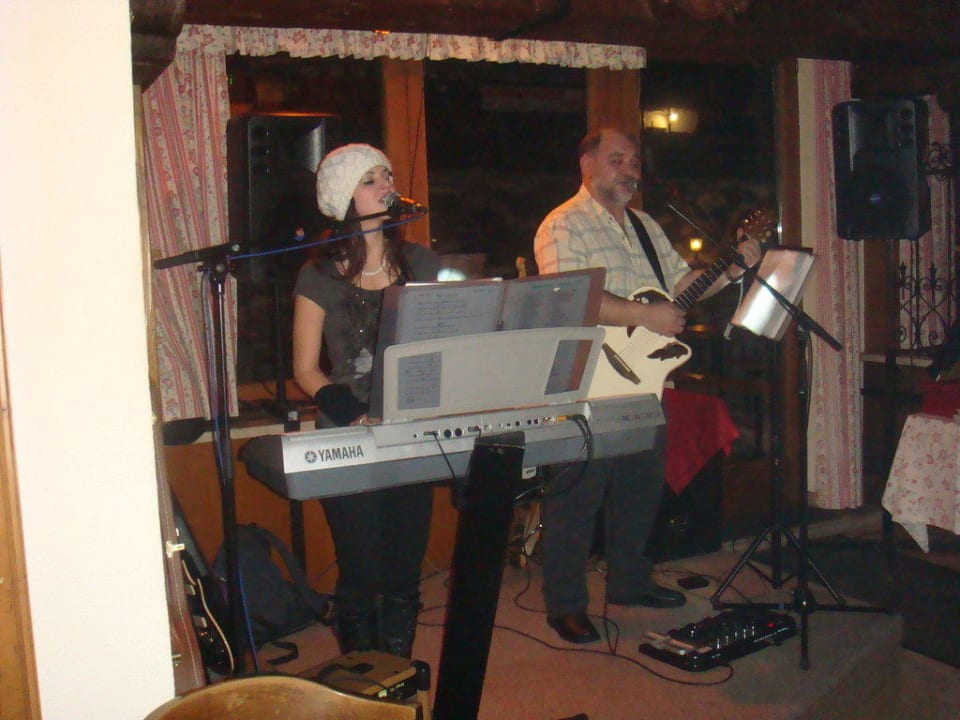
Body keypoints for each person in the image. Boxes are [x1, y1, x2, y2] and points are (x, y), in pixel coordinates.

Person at [532, 127, 762, 644]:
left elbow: (679, 287)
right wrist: (644, 315)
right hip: (586, 381)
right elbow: (572, 298)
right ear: (586, 164)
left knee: (639, 492)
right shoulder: (562, 224)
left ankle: (630, 582)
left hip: (644, 379)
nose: (629, 170)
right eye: (617, 160)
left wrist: (731, 269)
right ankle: (565, 605)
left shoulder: (645, 225)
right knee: (575, 500)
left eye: (634, 162)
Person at [292, 143, 440, 658]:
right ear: (344, 197)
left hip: (412, 431)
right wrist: (355, 415)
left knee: (404, 566)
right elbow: (306, 369)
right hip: (348, 430)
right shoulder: (319, 275)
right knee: (361, 565)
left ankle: (395, 672)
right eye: (370, 179)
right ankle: (359, 674)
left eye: (387, 175)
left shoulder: (420, 262)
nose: (386, 185)